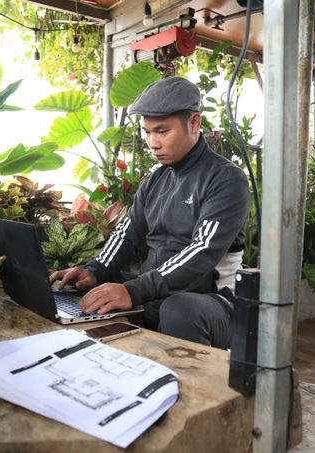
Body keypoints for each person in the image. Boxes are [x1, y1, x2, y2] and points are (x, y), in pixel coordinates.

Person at [49, 76, 250, 349]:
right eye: (147, 132)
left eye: (162, 131)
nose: (152, 143)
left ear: (194, 123)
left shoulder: (226, 179)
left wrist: (134, 291)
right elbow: (126, 235)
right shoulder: (155, 181)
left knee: (178, 309)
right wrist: (93, 271)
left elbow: (202, 251)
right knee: (94, 289)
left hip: (211, 302)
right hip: (159, 296)